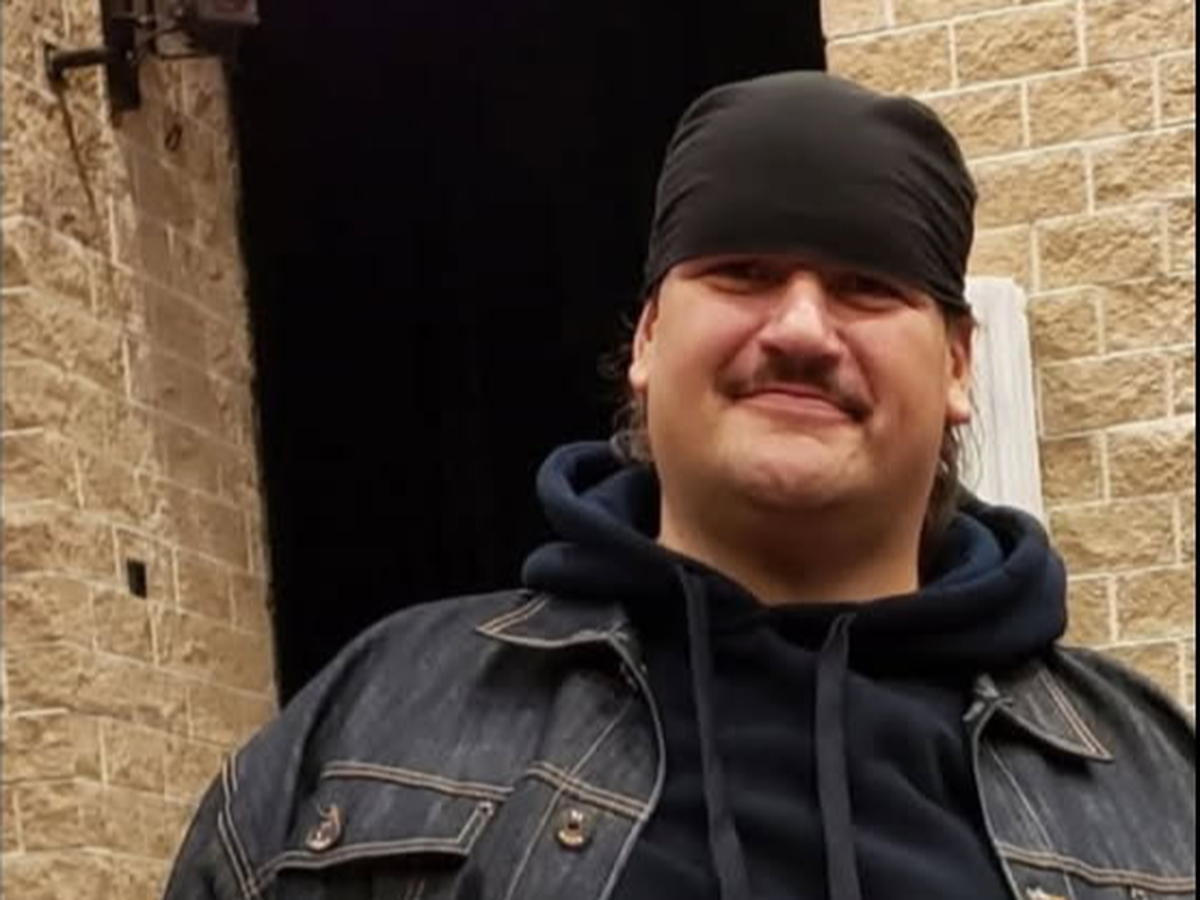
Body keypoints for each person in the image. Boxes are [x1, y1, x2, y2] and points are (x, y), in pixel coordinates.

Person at [164, 72, 1195, 900]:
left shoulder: (1155, 783)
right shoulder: (372, 723)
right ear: (650, 339)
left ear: (959, 366)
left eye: (865, 286)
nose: (801, 329)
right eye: (743, 273)